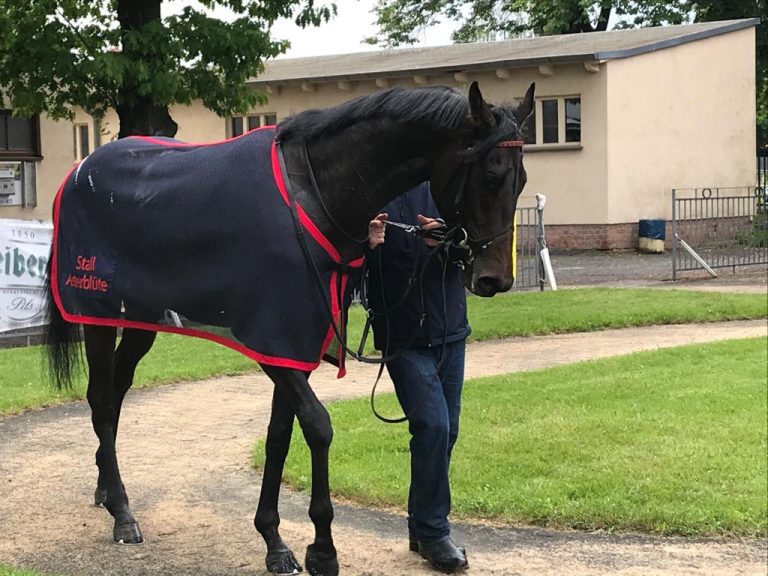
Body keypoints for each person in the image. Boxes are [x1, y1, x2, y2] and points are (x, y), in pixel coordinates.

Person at [365, 181, 470, 573]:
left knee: (448, 430)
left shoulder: (446, 189)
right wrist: (369, 246)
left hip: (451, 329)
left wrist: (447, 240)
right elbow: (349, 270)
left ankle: (419, 525)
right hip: (403, 337)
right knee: (433, 426)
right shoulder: (375, 191)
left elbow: (474, 251)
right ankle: (433, 531)